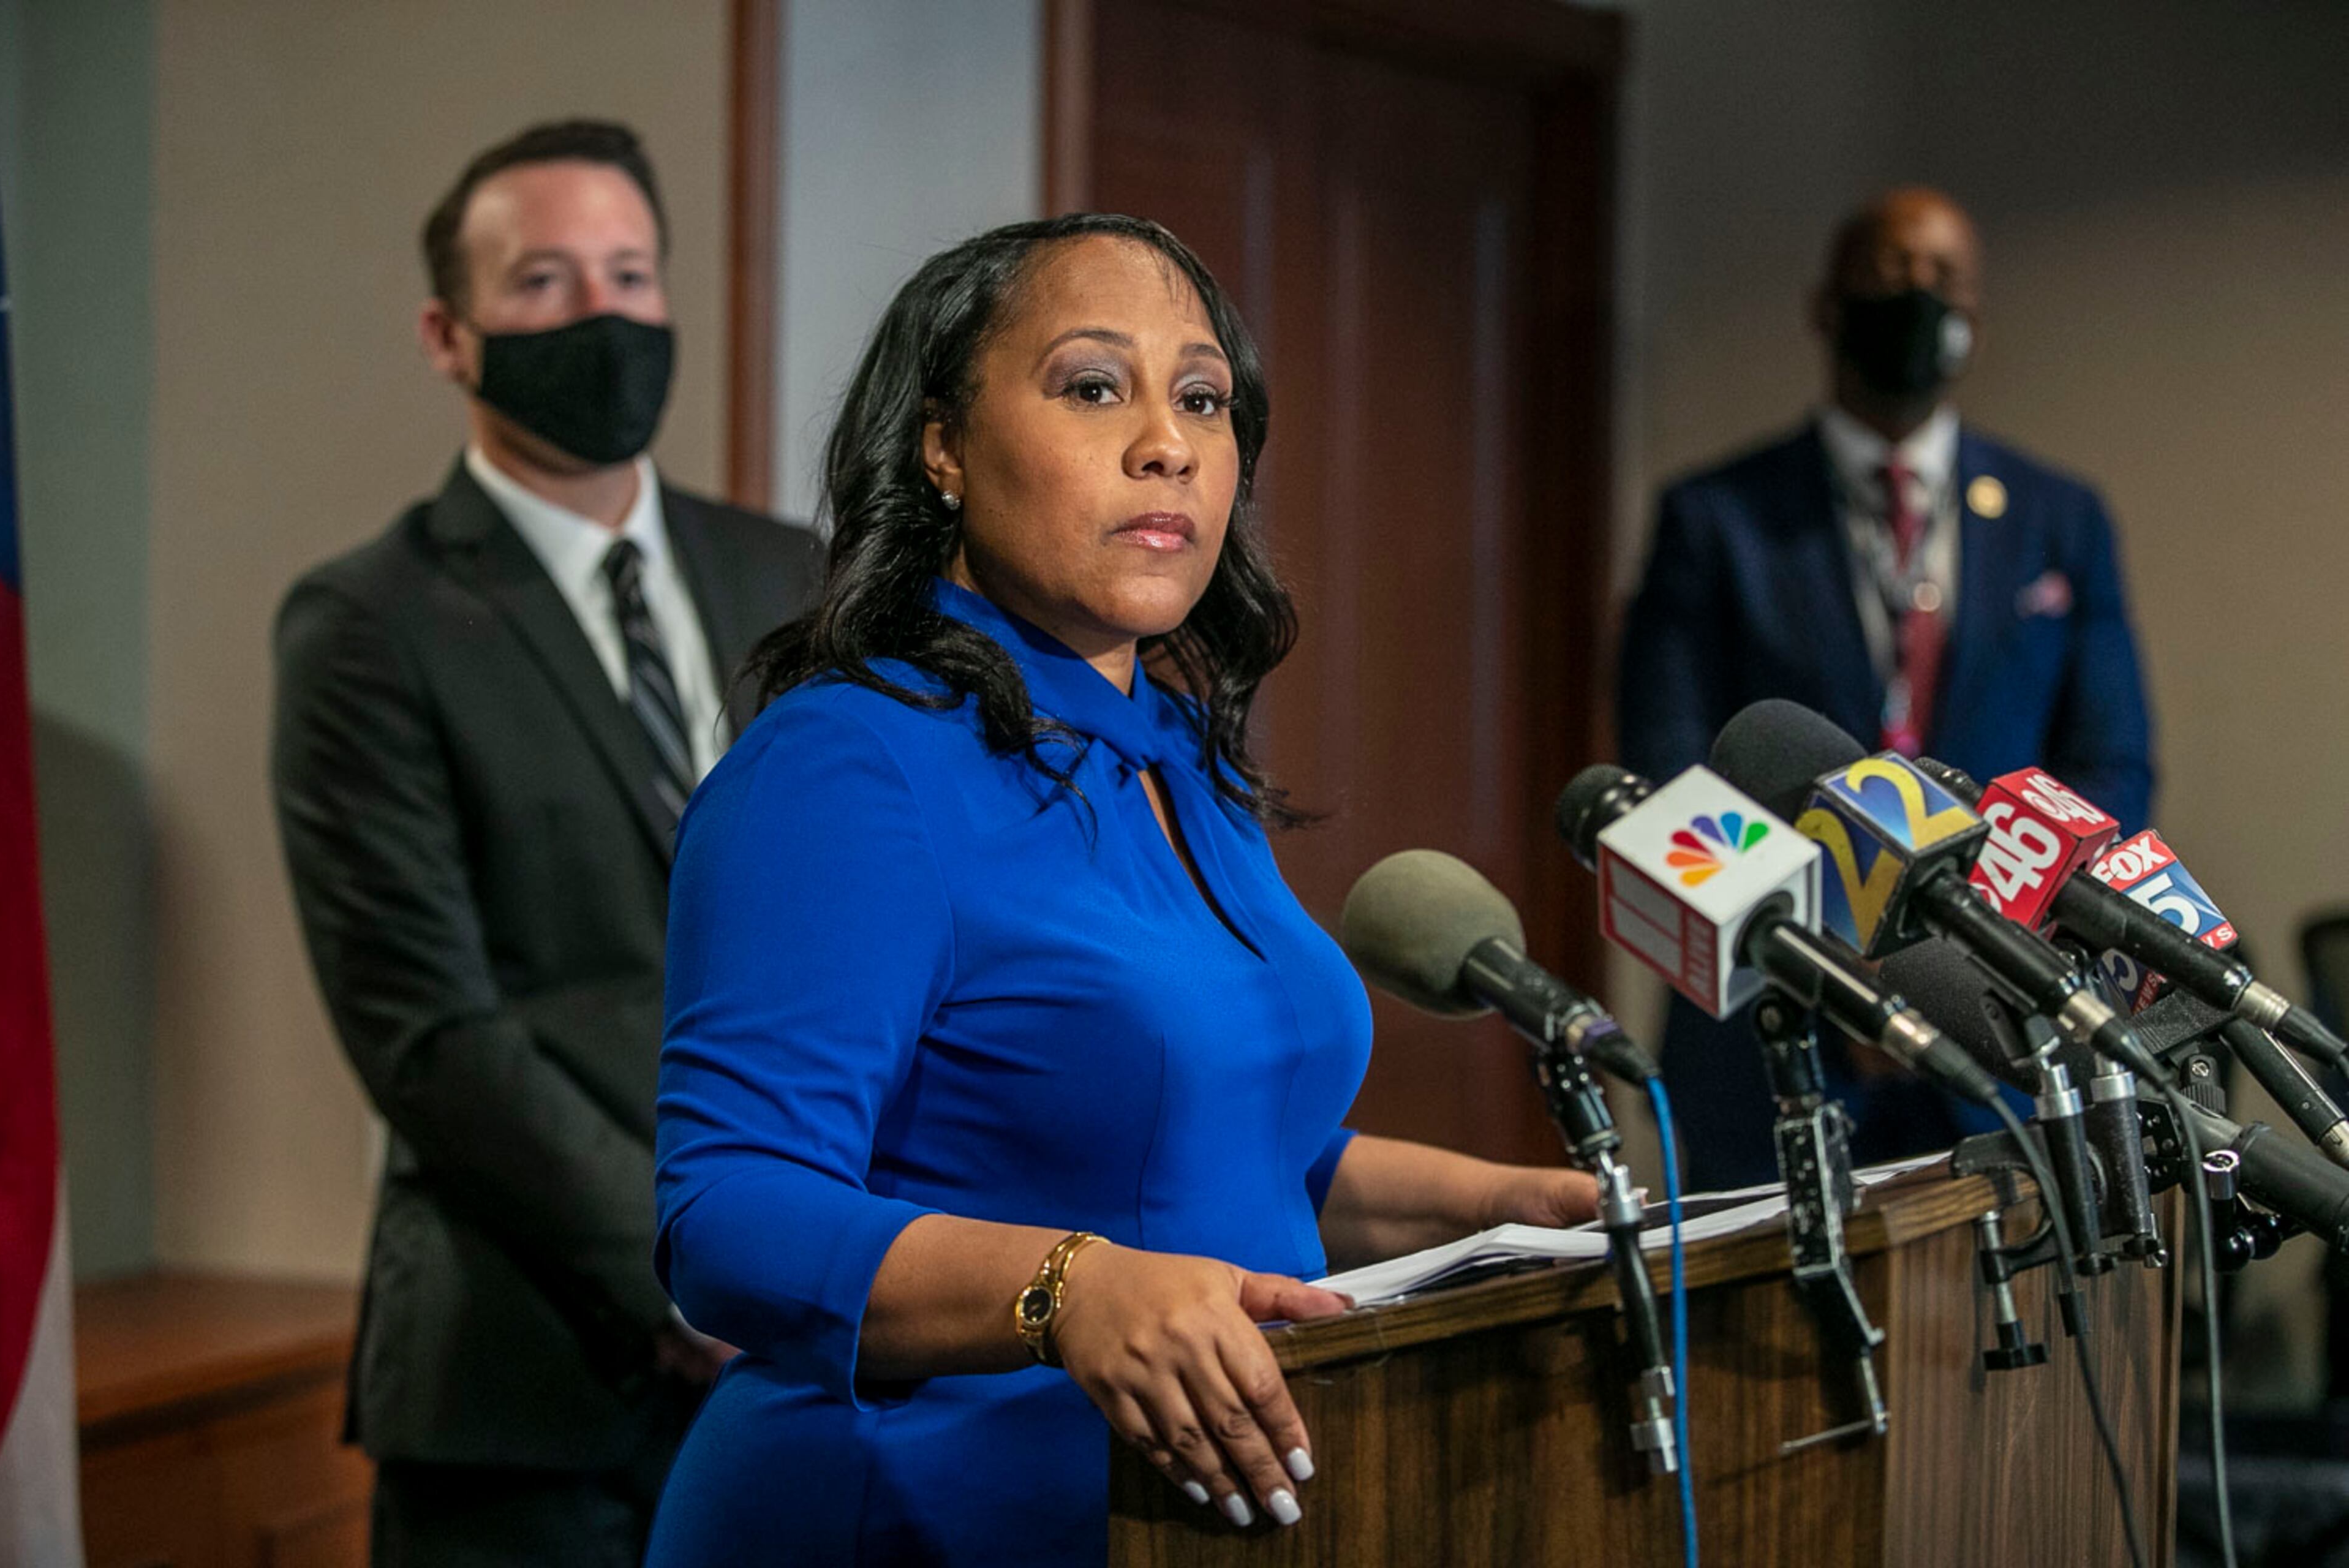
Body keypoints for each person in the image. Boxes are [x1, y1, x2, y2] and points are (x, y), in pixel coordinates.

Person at [647, 213, 1602, 1566]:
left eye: (1202, 398)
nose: (1167, 441)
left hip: (1173, 1523)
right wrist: (1067, 1286)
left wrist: (1497, 1209)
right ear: (941, 446)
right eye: (1095, 386)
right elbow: (727, 1211)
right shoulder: (847, 764)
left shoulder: (1180, 755)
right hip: (905, 1511)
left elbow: (1217, 1154)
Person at [271, 120, 822, 1565]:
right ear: (449, 335)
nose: (603, 317)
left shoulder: (795, 580)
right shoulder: (366, 625)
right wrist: (685, 1269)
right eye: (545, 283)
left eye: (633, 275)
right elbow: (428, 1032)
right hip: (526, 1386)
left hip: (818, 1353)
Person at [1616, 186, 2156, 1189]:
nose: (1913, 297)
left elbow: (2112, 764)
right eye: (1887, 274)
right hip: (1773, 1033)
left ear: (1974, 325)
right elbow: (1668, 778)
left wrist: (1958, 968)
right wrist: (1841, 973)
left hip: (2005, 1026)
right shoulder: (1714, 520)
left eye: (1941, 281)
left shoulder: (2059, 520)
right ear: (1827, 307)